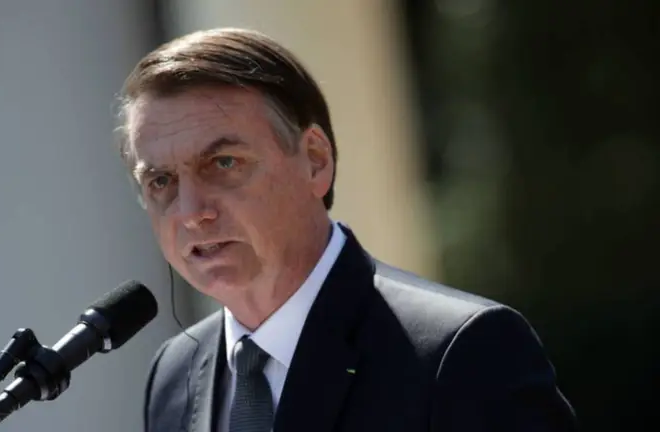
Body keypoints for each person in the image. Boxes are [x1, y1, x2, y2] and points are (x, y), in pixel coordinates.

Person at [115, 27, 577, 432]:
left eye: (223, 163)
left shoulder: (462, 352)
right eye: (161, 181)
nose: (191, 212)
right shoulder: (174, 374)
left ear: (316, 160)